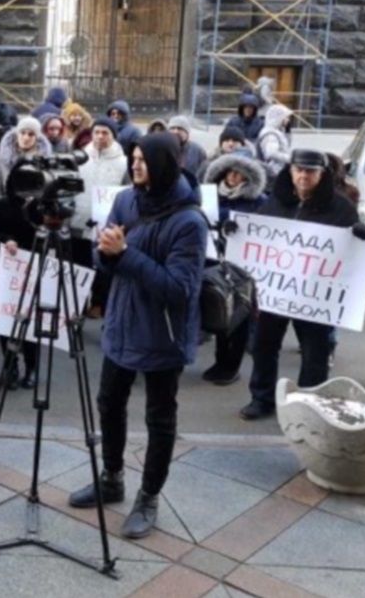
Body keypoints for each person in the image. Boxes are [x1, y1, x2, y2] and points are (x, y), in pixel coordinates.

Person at [67, 132, 207, 539]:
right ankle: (112, 478)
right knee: (109, 402)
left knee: (159, 418)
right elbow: (104, 254)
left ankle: (148, 497)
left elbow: (180, 289)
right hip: (122, 323)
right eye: (134, 157)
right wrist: (107, 253)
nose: (136, 164)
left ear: (165, 164)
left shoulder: (189, 221)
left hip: (163, 335)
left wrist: (125, 254)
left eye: (144, 159)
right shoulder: (126, 199)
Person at [239, 150, 365, 420]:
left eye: (310, 171)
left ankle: (308, 404)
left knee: (315, 351)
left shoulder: (341, 208)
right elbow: (259, 238)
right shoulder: (276, 201)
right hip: (277, 292)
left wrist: (362, 235)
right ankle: (261, 398)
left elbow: (352, 251)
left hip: (314, 295)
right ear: (290, 171)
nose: (303, 176)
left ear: (322, 175)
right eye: (298, 169)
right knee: (264, 346)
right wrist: (236, 233)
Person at [201, 152, 269, 385]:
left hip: (243, 269)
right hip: (213, 263)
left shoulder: (259, 202)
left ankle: (231, 367)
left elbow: (264, 230)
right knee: (219, 312)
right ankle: (220, 362)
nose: (233, 176)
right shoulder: (209, 196)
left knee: (239, 317)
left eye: (239, 173)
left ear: (248, 177)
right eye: (230, 171)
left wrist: (235, 222)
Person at [0, 162, 48, 389]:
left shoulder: (44, 207)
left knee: (31, 323)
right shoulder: (3, 205)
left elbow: (54, 237)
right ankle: (10, 365)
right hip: (9, 271)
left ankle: (32, 368)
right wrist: (5, 240)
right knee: (6, 321)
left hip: (35, 270)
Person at [72, 117, 128, 318]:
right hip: (79, 220)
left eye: (105, 133)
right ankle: (75, 304)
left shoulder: (123, 163)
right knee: (79, 265)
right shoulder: (80, 158)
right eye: (97, 132)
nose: (100, 137)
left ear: (113, 136)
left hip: (107, 224)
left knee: (103, 267)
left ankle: (98, 302)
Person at [0, 117, 47, 207]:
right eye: (22, 133)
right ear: (17, 134)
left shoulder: (44, 160)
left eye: (31, 134)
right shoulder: (2, 157)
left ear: (37, 138)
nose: (26, 138)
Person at [256, 103, 294, 179]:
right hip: (274, 171)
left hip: (277, 170)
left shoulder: (277, 131)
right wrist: (290, 158)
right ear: (279, 117)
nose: (288, 120)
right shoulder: (271, 134)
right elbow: (271, 153)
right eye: (286, 117)